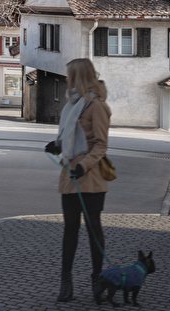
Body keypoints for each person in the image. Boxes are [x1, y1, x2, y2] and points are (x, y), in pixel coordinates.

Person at [45, 58, 111, 302]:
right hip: (69, 174)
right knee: (70, 229)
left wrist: (84, 165)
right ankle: (66, 281)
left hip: (90, 175)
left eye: (69, 74)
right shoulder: (70, 105)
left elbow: (100, 145)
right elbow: (67, 137)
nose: (65, 79)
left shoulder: (97, 106)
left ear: (78, 76)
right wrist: (57, 145)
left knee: (94, 229)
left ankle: (97, 280)